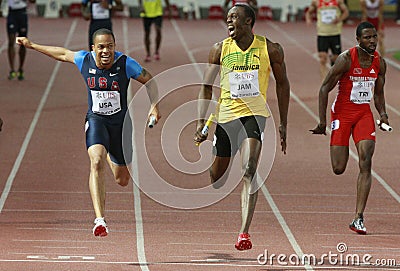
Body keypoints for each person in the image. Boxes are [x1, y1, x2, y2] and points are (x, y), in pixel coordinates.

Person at [16, 28, 160, 237]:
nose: (105, 51)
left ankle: (111, 152)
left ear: (114, 47)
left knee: (122, 180)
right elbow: (62, 53)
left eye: (110, 47)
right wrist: (32, 45)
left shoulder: (125, 64)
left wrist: (154, 106)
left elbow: (150, 80)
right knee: (95, 161)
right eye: (101, 47)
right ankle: (100, 220)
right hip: (96, 120)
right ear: (93, 49)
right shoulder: (84, 60)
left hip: (120, 126)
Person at [194, 4, 290, 250]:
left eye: (234, 17)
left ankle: (244, 233)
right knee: (216, 177)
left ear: (249, 22)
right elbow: (206, 86)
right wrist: (200, 123)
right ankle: (219, 159)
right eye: (227, 18)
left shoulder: (270, 49)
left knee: (249, 169)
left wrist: (283, 122)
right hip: (226, 116)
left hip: (254, 115)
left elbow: (282, 85)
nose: (229, 21)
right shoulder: (220, 49)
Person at [310, 21, 389, 235]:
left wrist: (383, 114)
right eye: (367, 37)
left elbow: (379, 94)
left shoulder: (379, 63)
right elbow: (324, 88)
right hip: (342, 114)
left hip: (363, 114)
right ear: (358, 40)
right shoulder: (346, 59)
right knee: (339, 168)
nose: (372, 41)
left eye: (374, 37)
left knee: (366, 159)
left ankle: (358, 217)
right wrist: (322, 121)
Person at [306, 0, 349, 81]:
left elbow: (346, 12)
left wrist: (339, 19)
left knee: (336, 59)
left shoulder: (338, 1)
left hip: (335, 33)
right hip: (322, 34)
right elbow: (309, 12)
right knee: (322, 59)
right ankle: (324, 82)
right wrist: (308, 19)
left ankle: (333, 71)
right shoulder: (316, 2)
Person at [0, 0, 36, 80]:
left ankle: (20, 69)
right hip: (12, 14)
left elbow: (33, 1)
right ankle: (12, 70)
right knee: (11, 42)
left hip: (22, 13)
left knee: (22, 43)